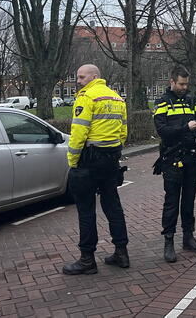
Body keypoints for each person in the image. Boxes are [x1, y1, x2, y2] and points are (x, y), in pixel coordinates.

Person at [62, 64, 130, 275]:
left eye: (82, 77)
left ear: (94, 77)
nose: (78, 81)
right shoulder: (117, 99)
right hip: (110, 160)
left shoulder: (86, 97)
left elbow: (79, 133)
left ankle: (87, 259)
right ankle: (121, 252)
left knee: (86, 210)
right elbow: (123, 132)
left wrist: (73, 161)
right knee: (113, 206)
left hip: (88, 162)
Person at [153, 66, 196, 263]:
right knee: (171, 202)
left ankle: (188, 237)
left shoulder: (191, 100)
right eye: (181, 84)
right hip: (172, 158)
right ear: (172, 82)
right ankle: (168, 242)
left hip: (191, 157)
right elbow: (162, 130)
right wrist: (186, 127)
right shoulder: (162, 102)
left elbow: (195, 123)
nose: (184, 87)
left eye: (186, 84)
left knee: (189, 200)